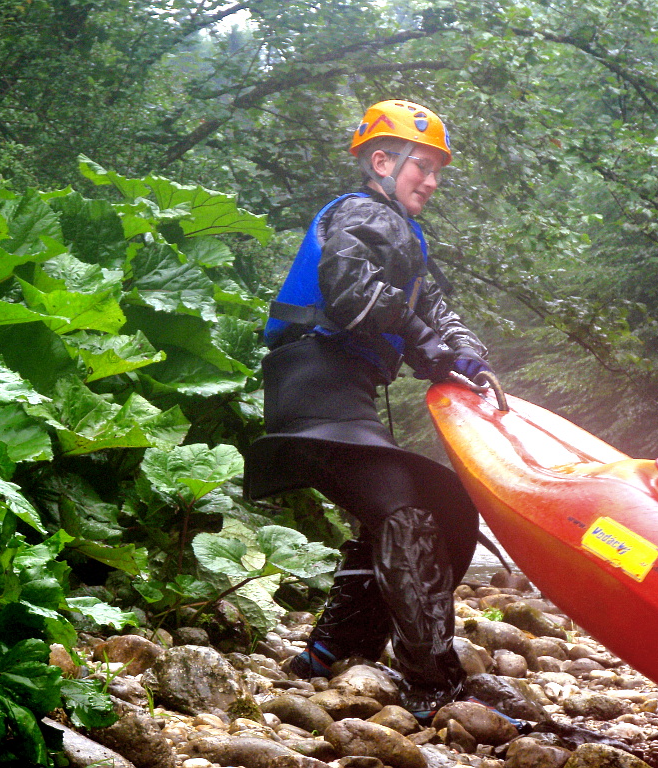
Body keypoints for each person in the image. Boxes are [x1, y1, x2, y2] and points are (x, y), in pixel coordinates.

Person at [245, 99, 496, 721]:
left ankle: (329, 653)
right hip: (316, 389)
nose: (431, 182)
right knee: (409, 513)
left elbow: (432, 309)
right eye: (422, 167)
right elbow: (351, 293)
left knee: (409, 510)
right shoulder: (363, 214)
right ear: (382, 162)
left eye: (438, 171)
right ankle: (433, 686)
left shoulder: (400, 235)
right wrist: (424, 341)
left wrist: (465, 354)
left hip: (336, 395)